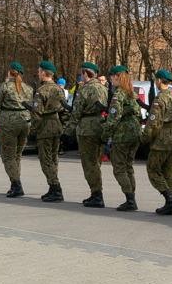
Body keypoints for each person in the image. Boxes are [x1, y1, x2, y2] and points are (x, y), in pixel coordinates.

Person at [64, 62, 108, 207]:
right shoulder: (104, 89)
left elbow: (76, 112)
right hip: (101, 126)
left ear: (84, 74)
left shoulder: (84, 90)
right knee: (96, 162)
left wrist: (67, 131)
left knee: (89, 164)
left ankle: (96, 194)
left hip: (87, 129)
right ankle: (96, 192)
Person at [141, 70, 172, 215]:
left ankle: (169, 198)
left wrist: (144, 138)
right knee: (169, 171)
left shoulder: (159, 99)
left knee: (153, 169)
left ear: (159, 80)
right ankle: (169, 204)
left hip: (162, 138)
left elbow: (153, 123)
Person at [0, 62, 33, 197]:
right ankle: (15, 183)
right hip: (25, 122)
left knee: (8, 156)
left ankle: (16, 185)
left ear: (10, 72)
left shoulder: (5, 87)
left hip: (8, 123)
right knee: (17, 156)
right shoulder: (28, 88)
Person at [102, 65, 142, 211]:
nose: (111, 80)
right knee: (129, 166)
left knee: (119, 167)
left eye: (112, 77)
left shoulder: (118, 94)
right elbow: (138, 114)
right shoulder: (132, 93)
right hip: (135, 133)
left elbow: (113, 118)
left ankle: (130, 198)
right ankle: (131, 197)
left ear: (116, 77)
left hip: (123, 135)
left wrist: (104, 136)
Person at [30, 60, 66, 202]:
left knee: (46, 160)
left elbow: (37, 113)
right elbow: (64, 110)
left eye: (39, 71)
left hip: (45, 126)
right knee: (53, 158)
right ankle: (52, 188)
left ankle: (56, 188)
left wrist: (33, 130)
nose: (38, 74)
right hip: (56, 125)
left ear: (43, 73)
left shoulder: (41, 91)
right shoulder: (59, 89)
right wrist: (63, 127)